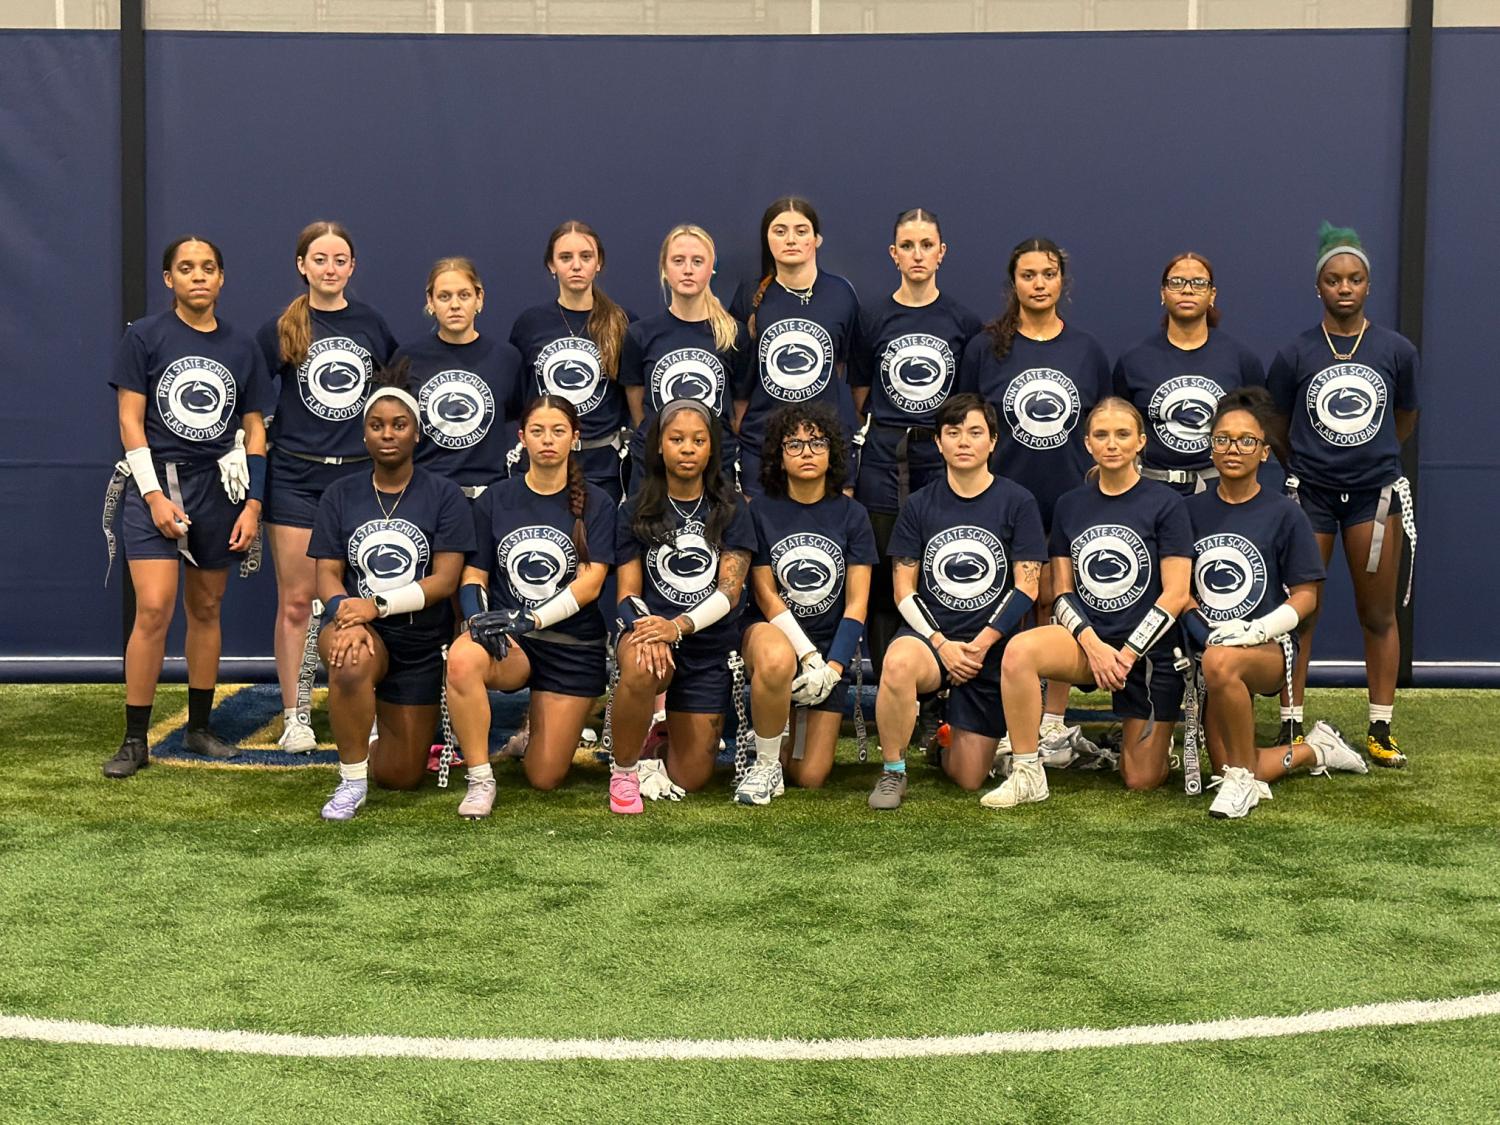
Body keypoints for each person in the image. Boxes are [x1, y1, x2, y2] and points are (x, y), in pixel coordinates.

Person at [103, 236, 274, 778]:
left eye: (208, 267)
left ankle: (199, 726)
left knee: (206, 609)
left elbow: (254, 430)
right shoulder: (146, 337)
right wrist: (152, 494)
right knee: (154, 608)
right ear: (168, 279)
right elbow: (130, 420)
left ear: (221, 278)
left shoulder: (242, 346)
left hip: (218, 491)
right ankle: (135, 738)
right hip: (156, 482)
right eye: (186, 268)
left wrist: (253, 504)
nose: (198, 276)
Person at [983, 397, 1191, 808]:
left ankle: (1145, 741)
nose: (1111, 444)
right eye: (1101, 435)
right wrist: (1094, 646)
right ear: (1088, 444)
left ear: (1140, 442)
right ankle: (1028, 772)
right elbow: (1060, 591)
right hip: (1088, 644)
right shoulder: (1070, 505)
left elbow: (1177, 593)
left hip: (1146, 655)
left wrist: (1127, 654)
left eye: (1122, 434)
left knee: (1141, 779)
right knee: (1019, 651)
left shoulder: (1166, 503)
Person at [1267, 223, 1419, 767]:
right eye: (1334, 279)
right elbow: (1277, 424)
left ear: (1368, 285)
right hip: (1310, 497)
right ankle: (1291, 724)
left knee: (1377, 613)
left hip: (1373, 499)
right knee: (1298, 615)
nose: (1345, 287)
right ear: (1319, 287)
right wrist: (1314, 466)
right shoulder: (1295, 353)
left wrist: (1365, 462)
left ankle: (1380, 726)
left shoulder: (1396, 350)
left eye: (1355, 278)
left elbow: (1403, 417)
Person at [1182, 386, 1367, 819]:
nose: (1233, 449)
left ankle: (1243, 784)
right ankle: (1314, 749)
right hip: (1209, 648)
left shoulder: (1286, 513)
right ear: (1211, 446)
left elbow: (1307, 595)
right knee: (1229, 763)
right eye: (1223, 439)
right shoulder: (1188, 511)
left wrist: (1259, 628)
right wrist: (1200, 630)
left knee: (1223, 665)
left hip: (1267, 648)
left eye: (1246, 440)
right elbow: (1179, 586)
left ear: (1264, 452)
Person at [958, 238, 1111, 750]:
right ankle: (1002, 716)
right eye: (1028, 275)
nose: (1039, 284)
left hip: (1068, 498)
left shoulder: (1087, 350)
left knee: (1056, 601)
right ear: (1013, 284)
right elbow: (969, 423)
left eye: (1048, 274)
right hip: (1001, 501)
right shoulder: (985, 347)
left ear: (1062, 282)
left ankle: (1052, 723)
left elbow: (1101, 426)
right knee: (1004, 602)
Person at [257, 222, 398, 752]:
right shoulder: (283, 327)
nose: (330, 268)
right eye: (320, 259)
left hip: (360, 477)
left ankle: (375, 709)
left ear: (351, 268)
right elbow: (250, 397)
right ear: (302, 265)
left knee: (366, 598)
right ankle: (296, 715)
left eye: (340, 259)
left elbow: (393, 399)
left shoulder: (370, 325)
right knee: (296, 601)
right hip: (296, 475)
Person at [306, 375, 473, 820]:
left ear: (416, 433)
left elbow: (445, 580)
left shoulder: (445, 495)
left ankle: (372, 728)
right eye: (377, 425)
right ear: (364, 432)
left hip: (418, 641)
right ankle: (350, 780)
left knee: (400, 776)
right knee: (350, 658)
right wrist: (348, 614)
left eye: (399, 425)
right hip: (354, 627)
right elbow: (327, 573)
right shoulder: (340, 494)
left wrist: (377, 605)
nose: (387, 434)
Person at [443, 396, 616, 817]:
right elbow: (475, 574)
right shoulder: (494, 499)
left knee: (544, 777)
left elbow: (591, 584)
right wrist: (475, 616)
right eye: (537, 431)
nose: (547, 440)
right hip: (511, 645)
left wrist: (531, 617)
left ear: (575, 438)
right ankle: (481, 779)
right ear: (522, 439)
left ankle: (532, 733)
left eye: (558, 431)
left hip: (570, 645)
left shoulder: (599, 503)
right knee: (464, 656)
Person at [871, 394, 1046, 810]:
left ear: (993, 441)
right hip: (931, 643)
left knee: (967, 778)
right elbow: (903, 590)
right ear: (939, 443)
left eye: (974, 433)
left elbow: (1028, 587)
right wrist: (941, 644)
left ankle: (943, 740)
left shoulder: (1018, 501)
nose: (963, 442)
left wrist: (980, 646)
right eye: (953, 433)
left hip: (988, 650)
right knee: (897, 663)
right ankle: (893, 771)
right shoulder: (918, 504)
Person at [608, 400, 757, 812]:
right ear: (659, 447)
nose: (687, 448)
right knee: (642, 662)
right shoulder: (634, 509)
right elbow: (626, 592)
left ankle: (660, 737)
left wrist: (679, 627)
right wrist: (651, 630)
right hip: (649, 634)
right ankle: (623, 772)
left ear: (712, 448)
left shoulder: (731, 509)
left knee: (691, 778)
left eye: (698, 440)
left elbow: (729, 594)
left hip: (708, 647)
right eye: (676, 439)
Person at [851, 208, 981, 675]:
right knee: (888, 578)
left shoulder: (963, 322)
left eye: (927, 245)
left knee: (947, 570)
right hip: (885, 459)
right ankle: (895, 684)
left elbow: (967, 402)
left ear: (942, 253)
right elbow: (861, 392)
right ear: (894, 254)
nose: (918, 254)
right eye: (908, 245)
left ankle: (943, 698)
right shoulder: (874, 318)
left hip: (942, 458)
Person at [736, 403, 878, 803]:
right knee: (777, 656)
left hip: (830, 648)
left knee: (811, 775)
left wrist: (831, 668)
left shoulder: (854, 515)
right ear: (779, 457)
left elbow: (857, 603)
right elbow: (765, 593)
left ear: (832, 451)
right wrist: (806, 655)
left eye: (816, 442)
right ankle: (766, 749)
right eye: (794, 444)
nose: (806, 452)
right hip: (773, 636)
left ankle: (779, 733)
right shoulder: (760, 510)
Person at [731, 197, 863, 496]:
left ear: (817, 239)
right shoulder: (750, 293)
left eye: (801, 231)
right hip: (762, 445)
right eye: (780, 231)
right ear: (767, 239)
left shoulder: (841, 293)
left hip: (827, 447)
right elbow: (742, 374)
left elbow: (844, 367)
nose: (791, 239)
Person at [1112, 252, 1266, 494]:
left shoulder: (1240, 359)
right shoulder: (1134, 360)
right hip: (1151, 491)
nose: (1187, 290)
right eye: (1176, 282)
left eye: (1198, 283)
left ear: (1212, 294)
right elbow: (1118, 427)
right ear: (1163, 293)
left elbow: (1262, 428)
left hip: (1219, 491)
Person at [508, 221, 635, 500]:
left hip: (604, 468)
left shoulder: (623, 323)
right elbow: (521, 398)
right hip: (544, 466)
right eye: (565, 258)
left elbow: (634, 403)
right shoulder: (530, 324)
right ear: (551, 265)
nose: (576, 266)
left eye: (585, 257)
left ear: (598, 262)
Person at [619, 224, 746, 487]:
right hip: (653, 470)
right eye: (678, 261)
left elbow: (739, 413)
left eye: (697, 261)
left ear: (711, 268)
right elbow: (638, 409)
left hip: (715, 469)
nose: (688, 269)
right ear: (665, 269)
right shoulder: (640, 335)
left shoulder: (734, 334)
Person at [393, 257, 524, 498]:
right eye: (444, 296)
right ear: (430, 301)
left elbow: (518, 419)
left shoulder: (506, 359)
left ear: (479, 298)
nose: (455, 305)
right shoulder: (408, 358)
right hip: (427, 497)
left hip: (489, 498)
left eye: (464, 295)